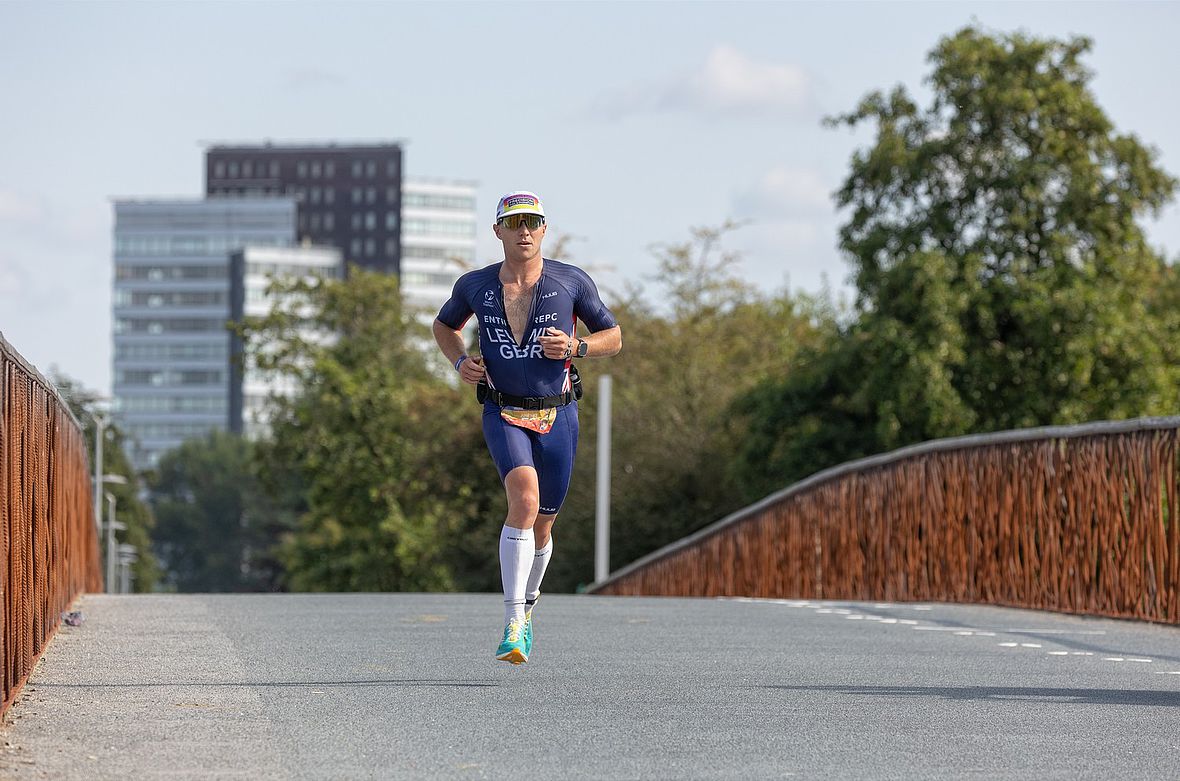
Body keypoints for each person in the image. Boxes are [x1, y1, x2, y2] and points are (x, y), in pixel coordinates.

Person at [433, 190, 622, 664]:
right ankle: (513, 621)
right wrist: (460, 362)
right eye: (514, 223)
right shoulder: (474, 285)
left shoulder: (570, 281)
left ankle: (529, 606)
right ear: (497, 231)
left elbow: (614, 337)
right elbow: (443, 326)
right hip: (502, 410)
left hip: (558, 413)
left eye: (532, 223)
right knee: (524, 499)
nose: (524, 231)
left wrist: (577, 348)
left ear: (544, 229)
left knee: (544, 523)